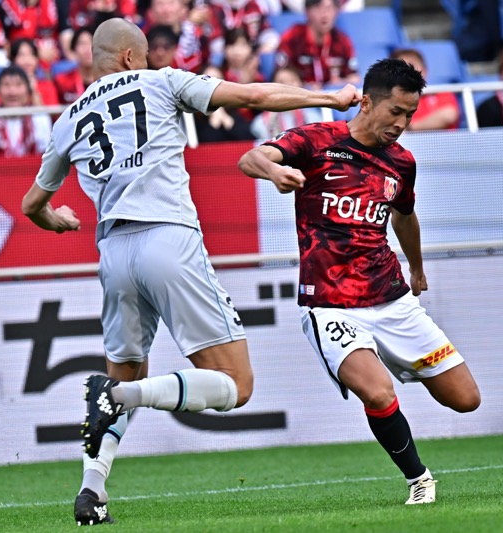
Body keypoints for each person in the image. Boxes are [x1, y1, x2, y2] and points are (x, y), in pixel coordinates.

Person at [20, 17, 359, 526]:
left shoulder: (68, 118)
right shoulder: (161, 80)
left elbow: (31, 204)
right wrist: (328, 98)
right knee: (235, 384)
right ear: (133, 57)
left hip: (113, 254)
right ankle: (120, 396)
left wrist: (58, 219)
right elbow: (253, 95)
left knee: (127, 369)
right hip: (167, 239)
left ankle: (92, 490)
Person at [237, 58, 481, 505]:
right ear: (367, 102)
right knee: (377, 389)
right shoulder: (315, 141)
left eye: (410, 114)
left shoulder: (402, 163)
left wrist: (418, 267)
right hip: (330, 304)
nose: (403, 124)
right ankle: (419, 479)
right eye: (396, 112)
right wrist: (275, 172)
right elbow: (251, 157)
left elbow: (405, 217)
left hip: (391, 298)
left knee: (466, 399)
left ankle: (383, 356)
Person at [0, 65, 52, 156]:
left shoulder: (40, 119)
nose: (12, 92)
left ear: (28, 91)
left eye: (18, 85)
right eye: (6, 85)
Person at [274, 0, 359, 89]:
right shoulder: (292, 37)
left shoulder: (342, 40)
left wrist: (339, 83)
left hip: (332, 96)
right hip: (302, 96)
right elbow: (280, 74)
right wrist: (300, 85)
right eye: (318, 8)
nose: (324, 14)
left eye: (329, 8)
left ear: (336, 12)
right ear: (307, 12)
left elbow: (355, 77)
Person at [390, 48, 460, 131]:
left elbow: (449, 115)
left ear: (425, 70)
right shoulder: (389, 99)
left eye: (414, 65)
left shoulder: (440, 92)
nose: (409, 71)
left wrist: (410, 127)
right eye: (403, 67)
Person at [250, 66, 323, 139]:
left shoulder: (314, 118)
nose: (287, 86)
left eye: (292, 80)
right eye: (281, 82)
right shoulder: (261, 123)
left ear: (301, 84)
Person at [9, 38, 60, 106]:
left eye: (32, 54)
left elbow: (50, 114)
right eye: (21, 55)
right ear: (13, 59)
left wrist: (34, 91)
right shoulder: (7, 86)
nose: (27, 60)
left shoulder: (47, 86)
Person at [54, 26, 94, 104]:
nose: (88, 49)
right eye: (82, 44)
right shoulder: (62, 82)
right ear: (74, 49)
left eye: (92, 43)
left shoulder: (108, 80)